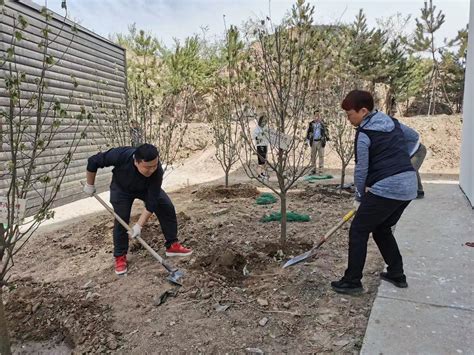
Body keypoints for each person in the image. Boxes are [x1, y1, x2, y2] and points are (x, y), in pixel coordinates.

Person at [331, 90, 417, 295]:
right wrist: (402, 161)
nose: (348, 117)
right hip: (409, 186)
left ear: (363, 110)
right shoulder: (392, 122)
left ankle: (352, 281)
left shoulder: (364, 132)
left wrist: (360, 196)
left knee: (358, 230)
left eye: (350, 113)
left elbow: (361, 169)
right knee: (382, 228)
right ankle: (397, 273)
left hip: (388, 188)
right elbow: (415, 139)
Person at [83, 143, 192, 275]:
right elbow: (93, 161)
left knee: (166, 206)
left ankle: (172, 245)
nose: (152, 170)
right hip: (121, 189)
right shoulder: (121, 155)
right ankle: (120, 256)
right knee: (121, 218)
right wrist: (90, 185)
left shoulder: (156, 172)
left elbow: (152, 202)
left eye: (155, 165)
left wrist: (139, 226)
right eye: (147, 167)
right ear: (136, 161)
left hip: (145, 188)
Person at [401, 126, 427, 199]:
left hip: (418, 151)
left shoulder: (399, 127)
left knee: (411, 169)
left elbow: (416, 136)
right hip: (411, 152)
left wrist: (407, 156)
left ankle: (416, 191)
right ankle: (418, 191)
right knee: (412, 169)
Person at [305, 110, 329, 175]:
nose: (317, 117)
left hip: (320, 141)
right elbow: (308, 132)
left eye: (318, 115)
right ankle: (313, 170)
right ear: (314, 116)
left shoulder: (323, 124)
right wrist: (307, 140)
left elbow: (326, 131)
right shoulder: (311, 124)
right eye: (316, 115)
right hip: (313, 141)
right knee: (313, 156)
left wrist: (326, 138)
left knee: (321, 156)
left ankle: (321, 171)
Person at [252, 115, 270, 180]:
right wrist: (261, 136)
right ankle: (259, 175)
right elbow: (255, 137)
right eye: (263, 121)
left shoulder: (265, 128)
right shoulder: (257, 129)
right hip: (260, 146)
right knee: (261, 162)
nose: (264, 122)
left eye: (265, 121)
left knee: (264, 161)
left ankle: (263, 173)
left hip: (265, 145)